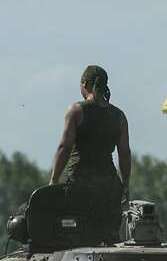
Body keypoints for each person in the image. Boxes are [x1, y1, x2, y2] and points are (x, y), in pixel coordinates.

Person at [48, 64, 131, 243]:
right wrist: (125, 185)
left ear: (84, 83)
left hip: (80, 184)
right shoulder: (119, 116)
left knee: (77, 237)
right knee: (110, 239)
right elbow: (124, 154)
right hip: (109, 187)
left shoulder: (76, 110)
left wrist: (54, 179)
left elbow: (65, 147)